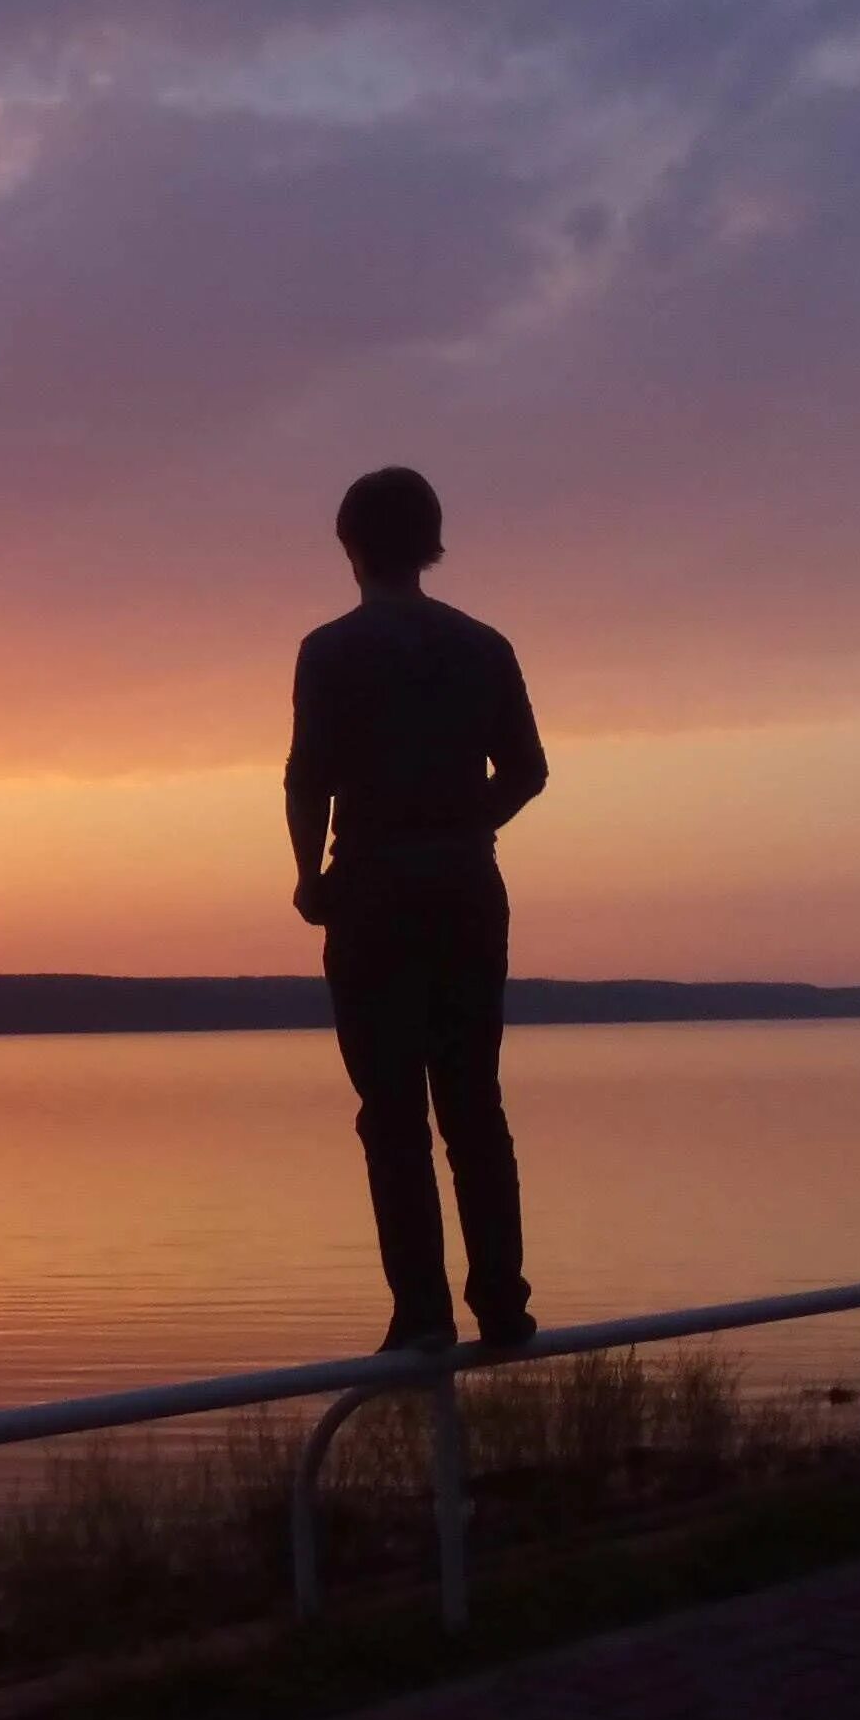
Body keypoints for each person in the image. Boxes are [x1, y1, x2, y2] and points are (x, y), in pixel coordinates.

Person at [284, 467, 546, 1356]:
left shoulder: (330, 651)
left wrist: (307, 877)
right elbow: (527, 772)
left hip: (373, 898)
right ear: (429, 543)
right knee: (475, 1102)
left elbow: (306, 777)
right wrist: (461, 827)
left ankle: (423, 1316)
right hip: (468, 895)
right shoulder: (484, 645)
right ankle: (503, 1305)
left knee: (391, 1112)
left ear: (352, 548)